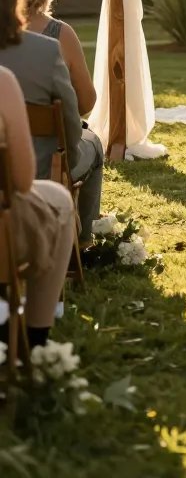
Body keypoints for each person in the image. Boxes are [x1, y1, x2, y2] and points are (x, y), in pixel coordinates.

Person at [0, 0, 102, 247]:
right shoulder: (54, 40)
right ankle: (81, 241)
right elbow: (81, 109)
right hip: (42, 164)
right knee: (92, 142)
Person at [0, 65, 75, 348]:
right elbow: (21, 179)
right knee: (60, 199)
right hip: (3, 236)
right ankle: (35, 336)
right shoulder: (3, 82)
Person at [13, 0, 96, 116]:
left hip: (4, 139)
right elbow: (87, 102)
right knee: (93, 141)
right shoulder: (61, 35)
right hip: (50, 140)